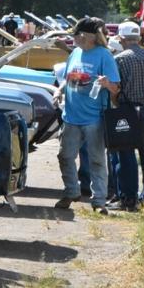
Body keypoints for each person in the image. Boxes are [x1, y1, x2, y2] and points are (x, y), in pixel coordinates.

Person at [54, 17, 121, 214]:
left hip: (94, 118)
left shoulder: (104, 56)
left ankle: (99, 201)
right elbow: (68, 78)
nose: (73, 39)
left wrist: (107, 83)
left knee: (97, 160)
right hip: (71, 116)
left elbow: (116, 88)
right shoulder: (75, 53)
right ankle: (71, 191)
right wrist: (59, 91)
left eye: (75, 35)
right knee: (65, 156)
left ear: (85, 36)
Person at [108, 21, 144, 211]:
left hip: (128, 111)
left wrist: (116, 102)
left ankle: (128, 198)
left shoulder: (120, 60)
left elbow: (116, 89)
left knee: (126, 157)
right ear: (139, 38)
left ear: (121, 39)